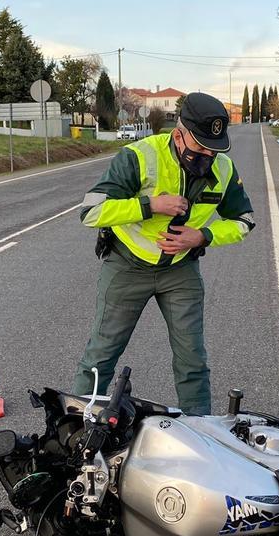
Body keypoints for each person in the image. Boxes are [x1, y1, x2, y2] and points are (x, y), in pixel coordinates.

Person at [73, 93, 256, 415]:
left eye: (214, 149)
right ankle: (78, 426)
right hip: (126, 267)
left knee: (192, 359)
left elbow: (244, 221)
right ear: (177, 134)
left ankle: (200, 431)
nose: (208, 155)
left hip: (180, 271)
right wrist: (150, 205)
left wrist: (203, 236)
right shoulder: (139, 157)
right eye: (199, 147)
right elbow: (90, 213)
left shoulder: (224, 169)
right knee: (101, 355)